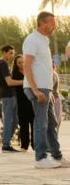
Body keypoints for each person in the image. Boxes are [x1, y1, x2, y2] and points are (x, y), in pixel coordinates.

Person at [23, 11, 62, 169]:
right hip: (37, 88)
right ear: (42, 23)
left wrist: (49, 90)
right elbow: (26, 66)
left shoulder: (43, 40)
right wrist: (36, 90)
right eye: (52, 23)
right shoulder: (32, 40)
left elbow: (43, 67)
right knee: (41, 123)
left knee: (51, 123)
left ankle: (57, 156)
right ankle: (40, 158)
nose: (55, 26)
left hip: (45, 89)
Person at [0, 44, 21, 153]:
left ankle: (7, 143)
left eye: (13, 54)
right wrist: (25, 82)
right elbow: (9, 82)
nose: (12, 56)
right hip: (8, 96)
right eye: (10, 53)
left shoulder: (3, 64)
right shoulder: (2, 64)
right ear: (4, 52)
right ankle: (5, 145)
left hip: (11, 96)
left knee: (15, 121)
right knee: (9, 121)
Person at [13, 54, 35, 151]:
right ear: (16, 64)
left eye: (23, 62)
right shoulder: (14, 74)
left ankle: (35, 144)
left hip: (31, 100)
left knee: (34, 123)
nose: (21, 64)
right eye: (19, 63)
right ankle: (24, 145)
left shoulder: (31, 71)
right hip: (21, 101)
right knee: (24, 124)